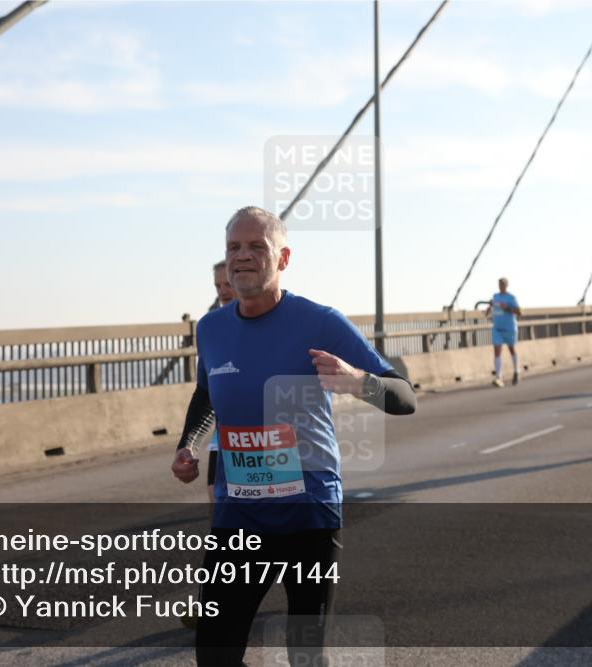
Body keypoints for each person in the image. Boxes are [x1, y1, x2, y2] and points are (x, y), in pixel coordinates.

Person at [170, 206, 416, 666]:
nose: (242, 257)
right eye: (233, 248)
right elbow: (206, 394)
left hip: (308, 515)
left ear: (283, 259)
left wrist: (356, 379)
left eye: (256, 247)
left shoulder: (320, 322)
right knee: (214, 653)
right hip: (237, 516)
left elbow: (404, 395)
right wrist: (188, 444)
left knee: (305, 655)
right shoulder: (211, 329)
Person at [205, 260, 237, 503]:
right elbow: (204, 388)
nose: (223, 291)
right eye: (218, 286)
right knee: (214, 495)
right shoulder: (212, 323)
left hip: (265, 436)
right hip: (223, 435)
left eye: (228, 284)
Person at [485, 277, 521, 387]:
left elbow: (519, 312)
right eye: (499, 284)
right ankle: (498, 377)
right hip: (497, 328)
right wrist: (489, 308)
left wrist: (507, 308)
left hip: (509, 328)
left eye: (502, 284)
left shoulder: (511, 298)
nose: (501, 286)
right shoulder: (495, 297)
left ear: (506, 285)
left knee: (511, 349)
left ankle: (516, 371)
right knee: (497, 350)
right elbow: (490, 310)